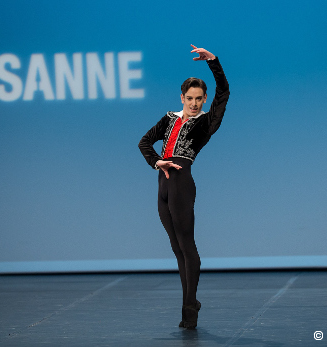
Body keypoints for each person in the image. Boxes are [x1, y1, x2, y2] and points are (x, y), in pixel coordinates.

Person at [138, 44, 230, 329]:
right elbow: (144, 142)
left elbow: (224, 92)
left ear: (204, 100)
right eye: (190, 98)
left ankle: (190, 307)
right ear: (182, 97)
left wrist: (213, 62)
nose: (194, 103)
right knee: (176, 248)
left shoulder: (205, 123)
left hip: (181, 185)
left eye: (199, 99)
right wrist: (157, 162)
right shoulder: (168, 119)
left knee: (187, 246)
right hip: (162, 186)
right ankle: (189, 303)